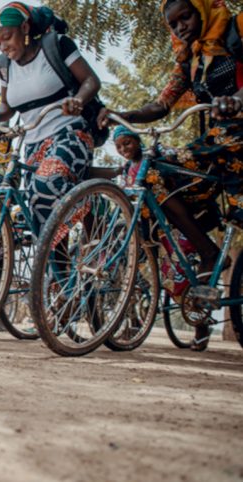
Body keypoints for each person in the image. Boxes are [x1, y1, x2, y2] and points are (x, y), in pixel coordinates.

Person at [99, 0, 243, 350]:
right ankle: (207, 253)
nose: (180, 27)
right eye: (173, 23)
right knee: (152, 173)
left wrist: (238, 99)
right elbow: (162, 105)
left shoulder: (236, 32)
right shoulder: (189, 59)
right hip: (214, 147)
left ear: (204, 10)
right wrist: (124, 115)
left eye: (186, 16)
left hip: (238, 143)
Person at [0, 2, 101, 234]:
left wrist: (78, 100)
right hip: (32, 146)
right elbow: (7, 109)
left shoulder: (57, 45)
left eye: (7, 37)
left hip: (69, 134)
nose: (3, 46)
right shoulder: (5, 65)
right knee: (40, 215)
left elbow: (91, 81)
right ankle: (58, 271)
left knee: (46, 185)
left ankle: (93, 213)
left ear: (24, 28)